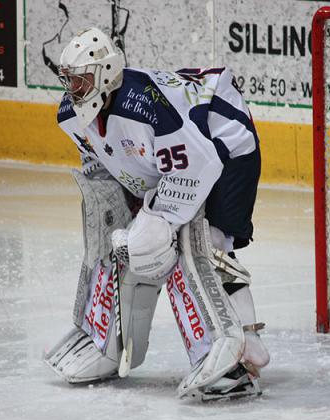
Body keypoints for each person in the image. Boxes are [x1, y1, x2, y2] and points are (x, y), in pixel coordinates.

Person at [44, 27, 270, 400]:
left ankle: (243, 347)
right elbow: (109, 162)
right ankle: (105, 342)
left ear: (105, 75)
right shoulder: (72, 114)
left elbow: (197, 162)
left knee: (205, 241)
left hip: (226, 140)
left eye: (81, 80)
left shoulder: (145, 109)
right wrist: (137, 212)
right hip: (182, 153)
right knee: (136, 241)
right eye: (68, 80)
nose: (73, 89)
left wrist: (159, 218)